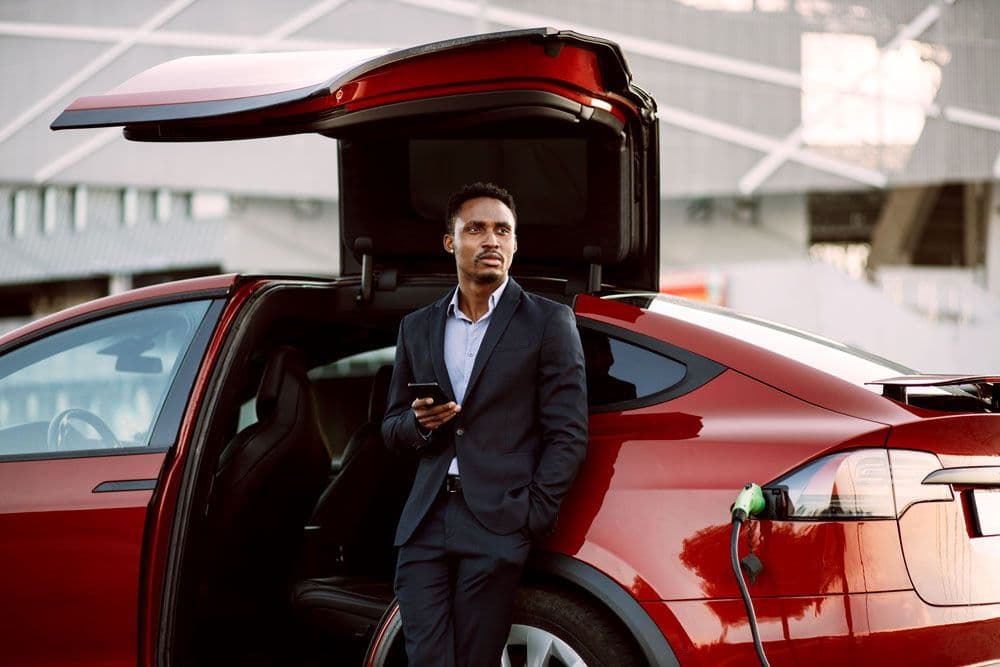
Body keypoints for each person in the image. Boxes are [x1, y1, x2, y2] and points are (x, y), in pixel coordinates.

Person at [381, 182, 588, 666]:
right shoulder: (417, 326)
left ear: (514, 244)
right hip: (425, 521)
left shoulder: (549, 322)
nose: (491, 240)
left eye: (502, 230)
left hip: (499, 519)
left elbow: (568, 433)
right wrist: (419, 424)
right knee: (426, 659)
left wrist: (532, 512)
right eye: (475, 229)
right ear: (450, 241)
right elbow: (390, 427)